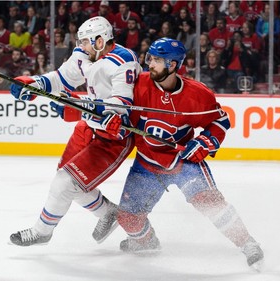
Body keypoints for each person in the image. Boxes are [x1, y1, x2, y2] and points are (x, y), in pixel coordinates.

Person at [102, 38, 264, 268]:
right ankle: (147, 242)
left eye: (157, 60)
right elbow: (120, 117)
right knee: (127, 218)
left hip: (183, 160)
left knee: (208, 201)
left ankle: (248, 243)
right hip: (147, 162)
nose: (150, 64)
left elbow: (220, 121)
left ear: (173, 65)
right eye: (150, 58)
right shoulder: (137, 86)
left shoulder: (197, 94)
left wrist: (205, 142)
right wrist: (115, 124)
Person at [8, 16, 141, 246]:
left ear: (100, 41)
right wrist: (34, 85)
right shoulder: (85, 55)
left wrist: (80, 108)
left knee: (64, 183)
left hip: (113, 136)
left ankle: (42, 231)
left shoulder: (123, 60)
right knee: (67, 180)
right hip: (88, 128)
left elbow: (121, 105)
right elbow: (61, 79)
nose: (80, 47)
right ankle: (107, 212)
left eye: (85, 42)